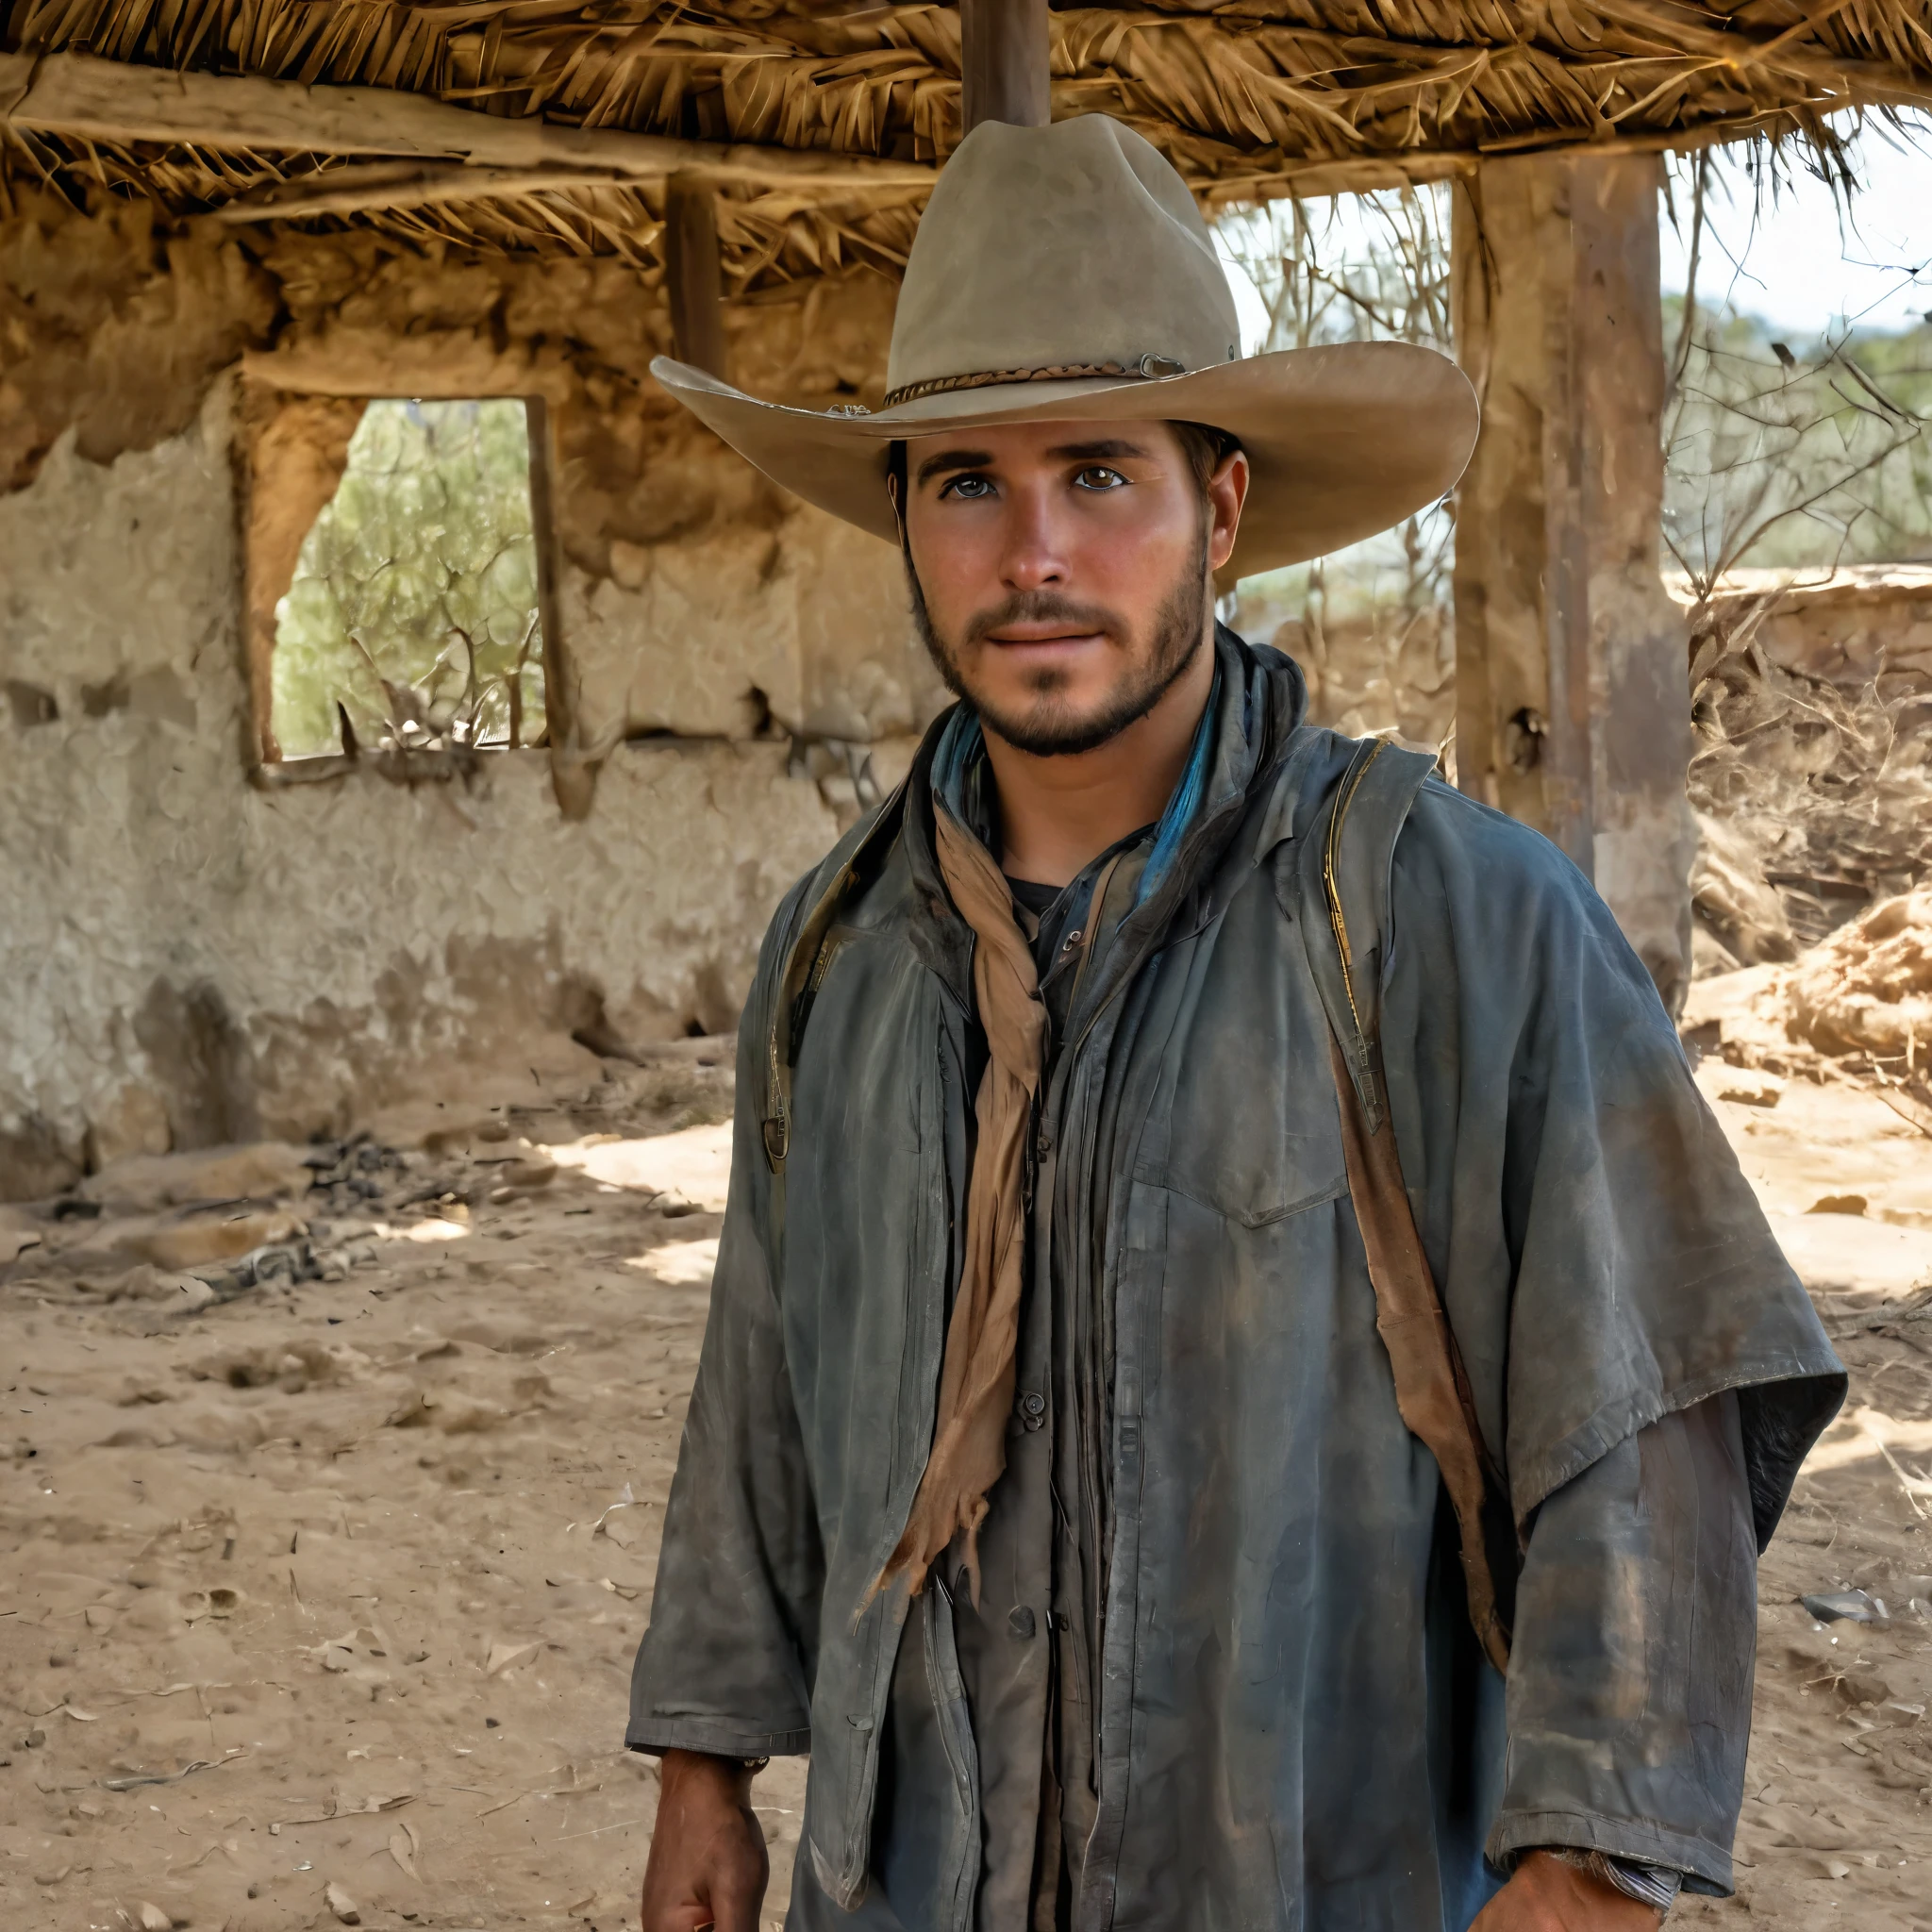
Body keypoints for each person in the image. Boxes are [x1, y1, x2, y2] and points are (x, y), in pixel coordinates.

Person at [626, 113, 1844, 1931]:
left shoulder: (1445, 921)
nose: (1034, 551)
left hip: (1305, 1877)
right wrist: (708, 1770)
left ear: (1225, 502)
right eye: (965, 480)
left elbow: (1644, 1405)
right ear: (901, 518)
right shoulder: (840, 958)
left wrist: (1589, 1858)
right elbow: (762, 1388)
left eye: (1102, 474)